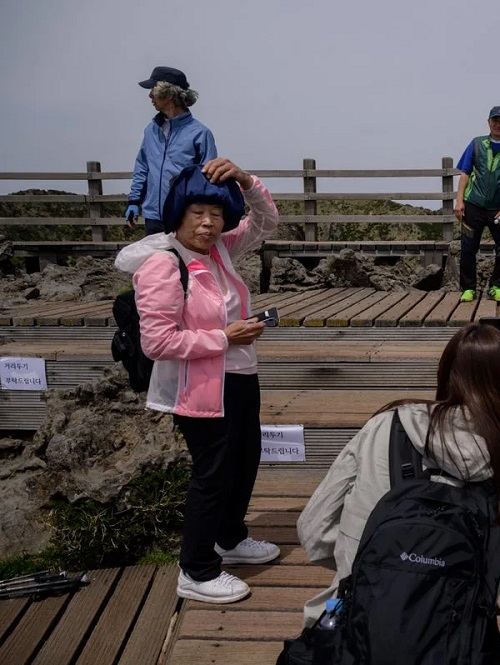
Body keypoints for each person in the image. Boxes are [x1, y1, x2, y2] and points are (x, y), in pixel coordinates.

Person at [297, 322, 500, 654]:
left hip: (357, 637)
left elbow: (313, 533)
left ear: (444, 373)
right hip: (455, 642)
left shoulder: (385, 426)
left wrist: (384, 563)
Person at [115, 158, 281, 604]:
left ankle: (230, 538)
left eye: (217, 214)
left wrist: (245, 179)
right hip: (200, 386)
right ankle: (196, 569)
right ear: (178, 214)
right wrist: (226, 336)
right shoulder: (163, 265)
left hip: (241, 375)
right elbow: (159, 343)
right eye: (197, 214)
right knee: (213, 474)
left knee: (244, 462)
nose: (208, 224)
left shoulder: (220, 251)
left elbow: (266, 220)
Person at [126, 66, 218, 236]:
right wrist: (134, 201)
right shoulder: (151, 130)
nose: (149, 96)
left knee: (181, 263)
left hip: (184, 217)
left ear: (169, 95)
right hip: (153, 217)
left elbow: (208, 179)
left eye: (153, 90)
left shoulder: (200, 134)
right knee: (156, 263)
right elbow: (142, 168)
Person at [454, 106, 500, 303]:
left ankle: (496, 286)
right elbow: (465, 173)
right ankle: (468, 289)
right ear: (488, 122)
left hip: (497, 206)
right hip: (473, 203)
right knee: (468, 247)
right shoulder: (476, 144)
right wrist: (459, 201)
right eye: (495, 120)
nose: (498, 124)